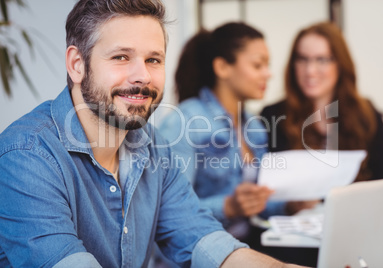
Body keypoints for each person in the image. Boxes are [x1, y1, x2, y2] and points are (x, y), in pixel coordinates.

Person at [0, 1, 306, 267]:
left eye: (153, 60)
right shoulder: (26, 156)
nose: (142, 76)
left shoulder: (153, 145)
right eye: (121, 57)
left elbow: (202, 238)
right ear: (77, 65)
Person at [158, 22, 316, 250]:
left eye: (267, 65)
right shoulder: (183, 122)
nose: (268, 74)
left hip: (244, 247)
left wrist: (288, 206)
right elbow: (170, 211)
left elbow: (256, 205)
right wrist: (228, 206)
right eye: (257, 65)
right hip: (194, 254)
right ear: (222, 67)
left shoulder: (254, 126)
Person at [260, 21, 383, 181]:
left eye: (322, 59)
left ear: (340, 64)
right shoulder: (273, 116)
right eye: (302, 59)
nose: (310, 71)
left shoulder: (366, 115)